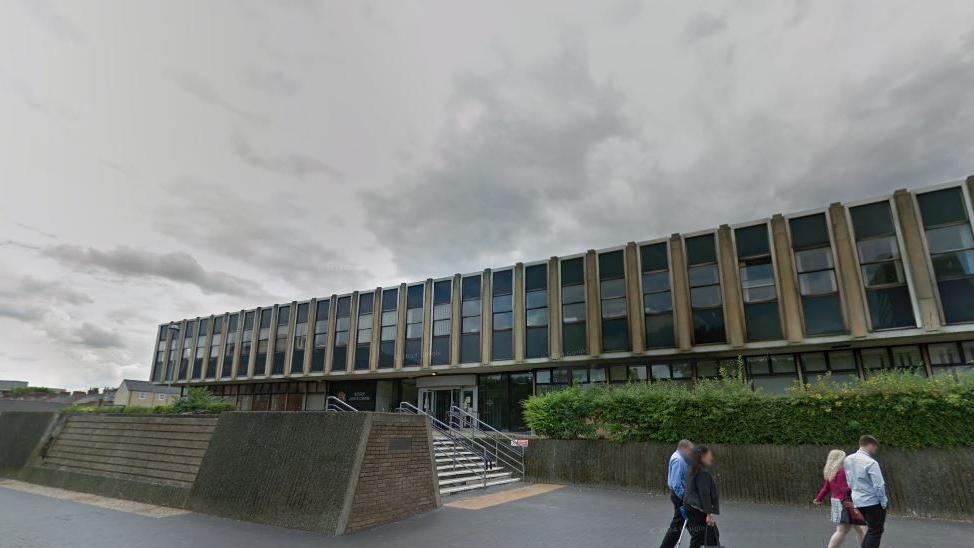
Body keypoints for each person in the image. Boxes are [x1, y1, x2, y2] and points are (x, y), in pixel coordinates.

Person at [814, 449, 866, 547]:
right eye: (844, 457)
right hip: (846, 503)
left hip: (837, 503)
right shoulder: (842, 472)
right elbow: (845, 489)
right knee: (844, 530)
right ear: (840, 459)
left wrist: (819, 499)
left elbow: (825, 489)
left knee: (858, 529)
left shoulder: (831, 472)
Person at [844, 435, 888, 548]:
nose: (875, 450)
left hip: (858, 500)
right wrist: (883, 502)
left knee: (871, 529)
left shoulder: (848, 459)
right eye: (875, 447)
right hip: (872, 501)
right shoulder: (871, 462)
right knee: (875, 531)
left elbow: (849, 481)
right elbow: (879, 485)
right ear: (871, 445)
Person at [659, 439, 694, 548]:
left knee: (680, 523)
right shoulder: (678, 460)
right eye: (690, 451)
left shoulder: (681, 457)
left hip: (681, 494)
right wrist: (686, 498)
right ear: (683, 449)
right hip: (679, 495)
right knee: (679, 523)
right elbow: (676, 484)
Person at [684, 445, 720, 548]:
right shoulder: (702, 473)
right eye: (709, 455)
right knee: (710, 536)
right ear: (703, 456)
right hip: (698, 509)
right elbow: (704, 494)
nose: (711, 458)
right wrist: (709, 514)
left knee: (699, 536)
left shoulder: (692, 469)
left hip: (690, 507)